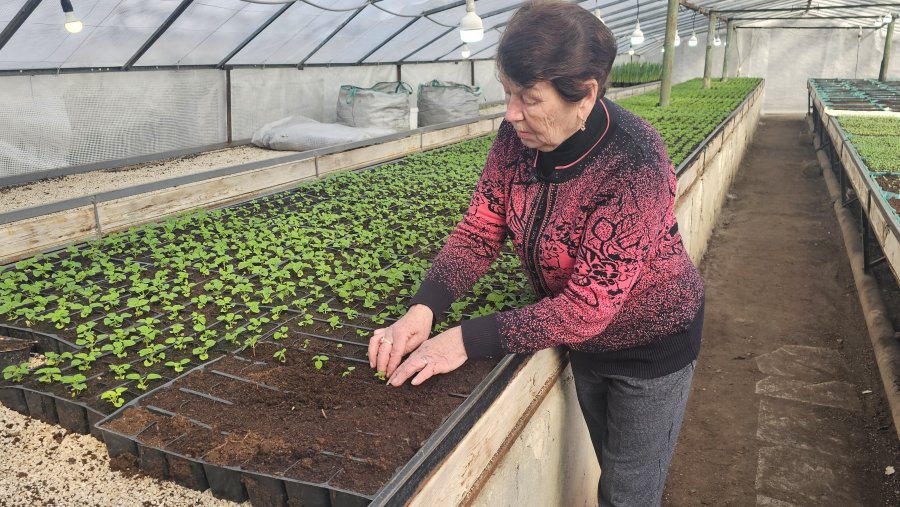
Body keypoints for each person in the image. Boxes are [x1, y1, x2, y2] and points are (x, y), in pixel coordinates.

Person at [367, 3, 704, 506]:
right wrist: (424, 309)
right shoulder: (516, 139)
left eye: (528, 98)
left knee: (628, 494)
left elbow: (588, 307)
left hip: (649, 345)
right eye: (507, 93)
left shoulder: (635, 160)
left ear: (585, 94)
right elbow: (481, 229)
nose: (510, 114)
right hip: (584, 341)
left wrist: (464, 338)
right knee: (610, 465)